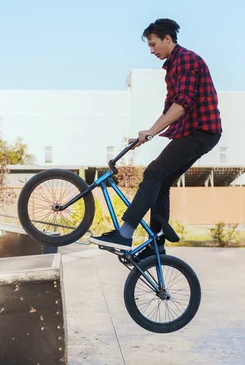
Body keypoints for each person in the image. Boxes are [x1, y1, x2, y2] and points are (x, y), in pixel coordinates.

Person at [88, 18, 223, 260]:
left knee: (153, 173)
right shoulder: (172, 67)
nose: (151, 51)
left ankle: (125, 233)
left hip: (201, 131)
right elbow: (170, 108)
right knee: (161, 182)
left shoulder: (187, 60)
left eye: (153, 44)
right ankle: (156, 243)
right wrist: (149, 132)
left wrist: (152, 131)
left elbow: (182, 104)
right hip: (194, 132)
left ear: (167, 39)